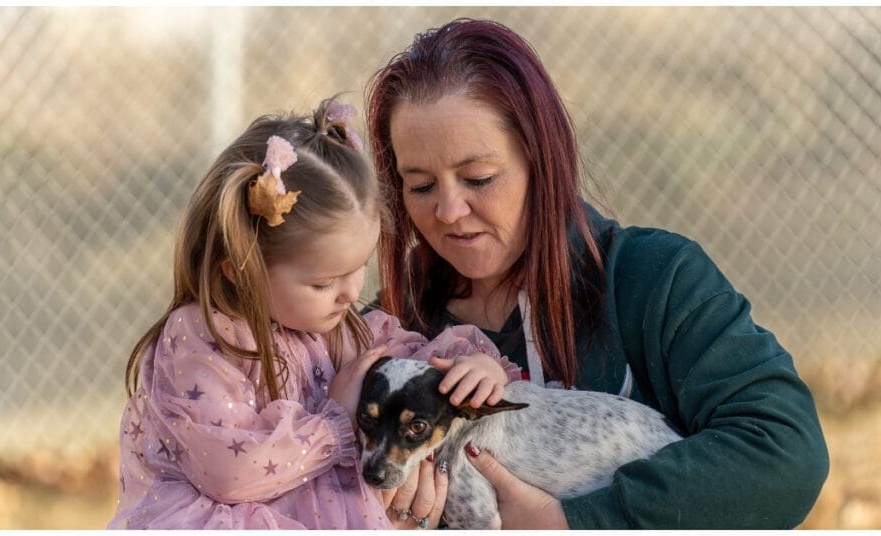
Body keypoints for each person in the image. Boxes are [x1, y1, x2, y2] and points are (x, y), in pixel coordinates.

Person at [365, 18, 829, 529]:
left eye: (479, 177)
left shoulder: (654, 279)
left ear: (543, 161)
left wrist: (572, 520)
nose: (449, 210)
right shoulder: (391, 331)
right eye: (421, 186)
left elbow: (784, 452)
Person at [109, 97, 520, 529]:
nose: (350, 294)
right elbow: (228, 473)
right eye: (323, 282)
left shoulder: (340, 327)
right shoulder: (206, 336)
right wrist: (334, 424)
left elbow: (418, 362)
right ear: (241, 270)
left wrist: (473, 366)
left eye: (359, 268)